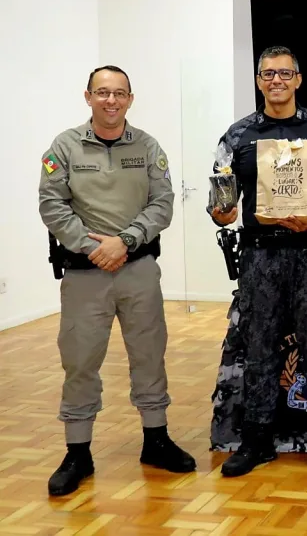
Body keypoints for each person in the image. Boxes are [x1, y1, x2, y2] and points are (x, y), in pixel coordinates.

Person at [38, 65, 196, 496]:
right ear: (88, 96)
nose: (111, 100)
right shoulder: (64, 147)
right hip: (85, 274)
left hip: (138, 268)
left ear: (130, 99)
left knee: (149, 354)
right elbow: (52, 204)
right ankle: (77, 452)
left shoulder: (147, 147)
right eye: (103, 92)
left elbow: (162, 203)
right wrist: (93, 247)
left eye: (120, 93)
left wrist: (125, 241)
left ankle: (156, 439)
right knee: (79, 359)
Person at [210, 46, 307, 479]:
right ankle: (257, 439)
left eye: (284, 73)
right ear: (259, 81)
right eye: (268, 74)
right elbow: (221, 193)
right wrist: (221, 212)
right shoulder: (238, 135)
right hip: (260, 255)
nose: (276, 80)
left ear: (298, 79)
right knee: (258, 350)